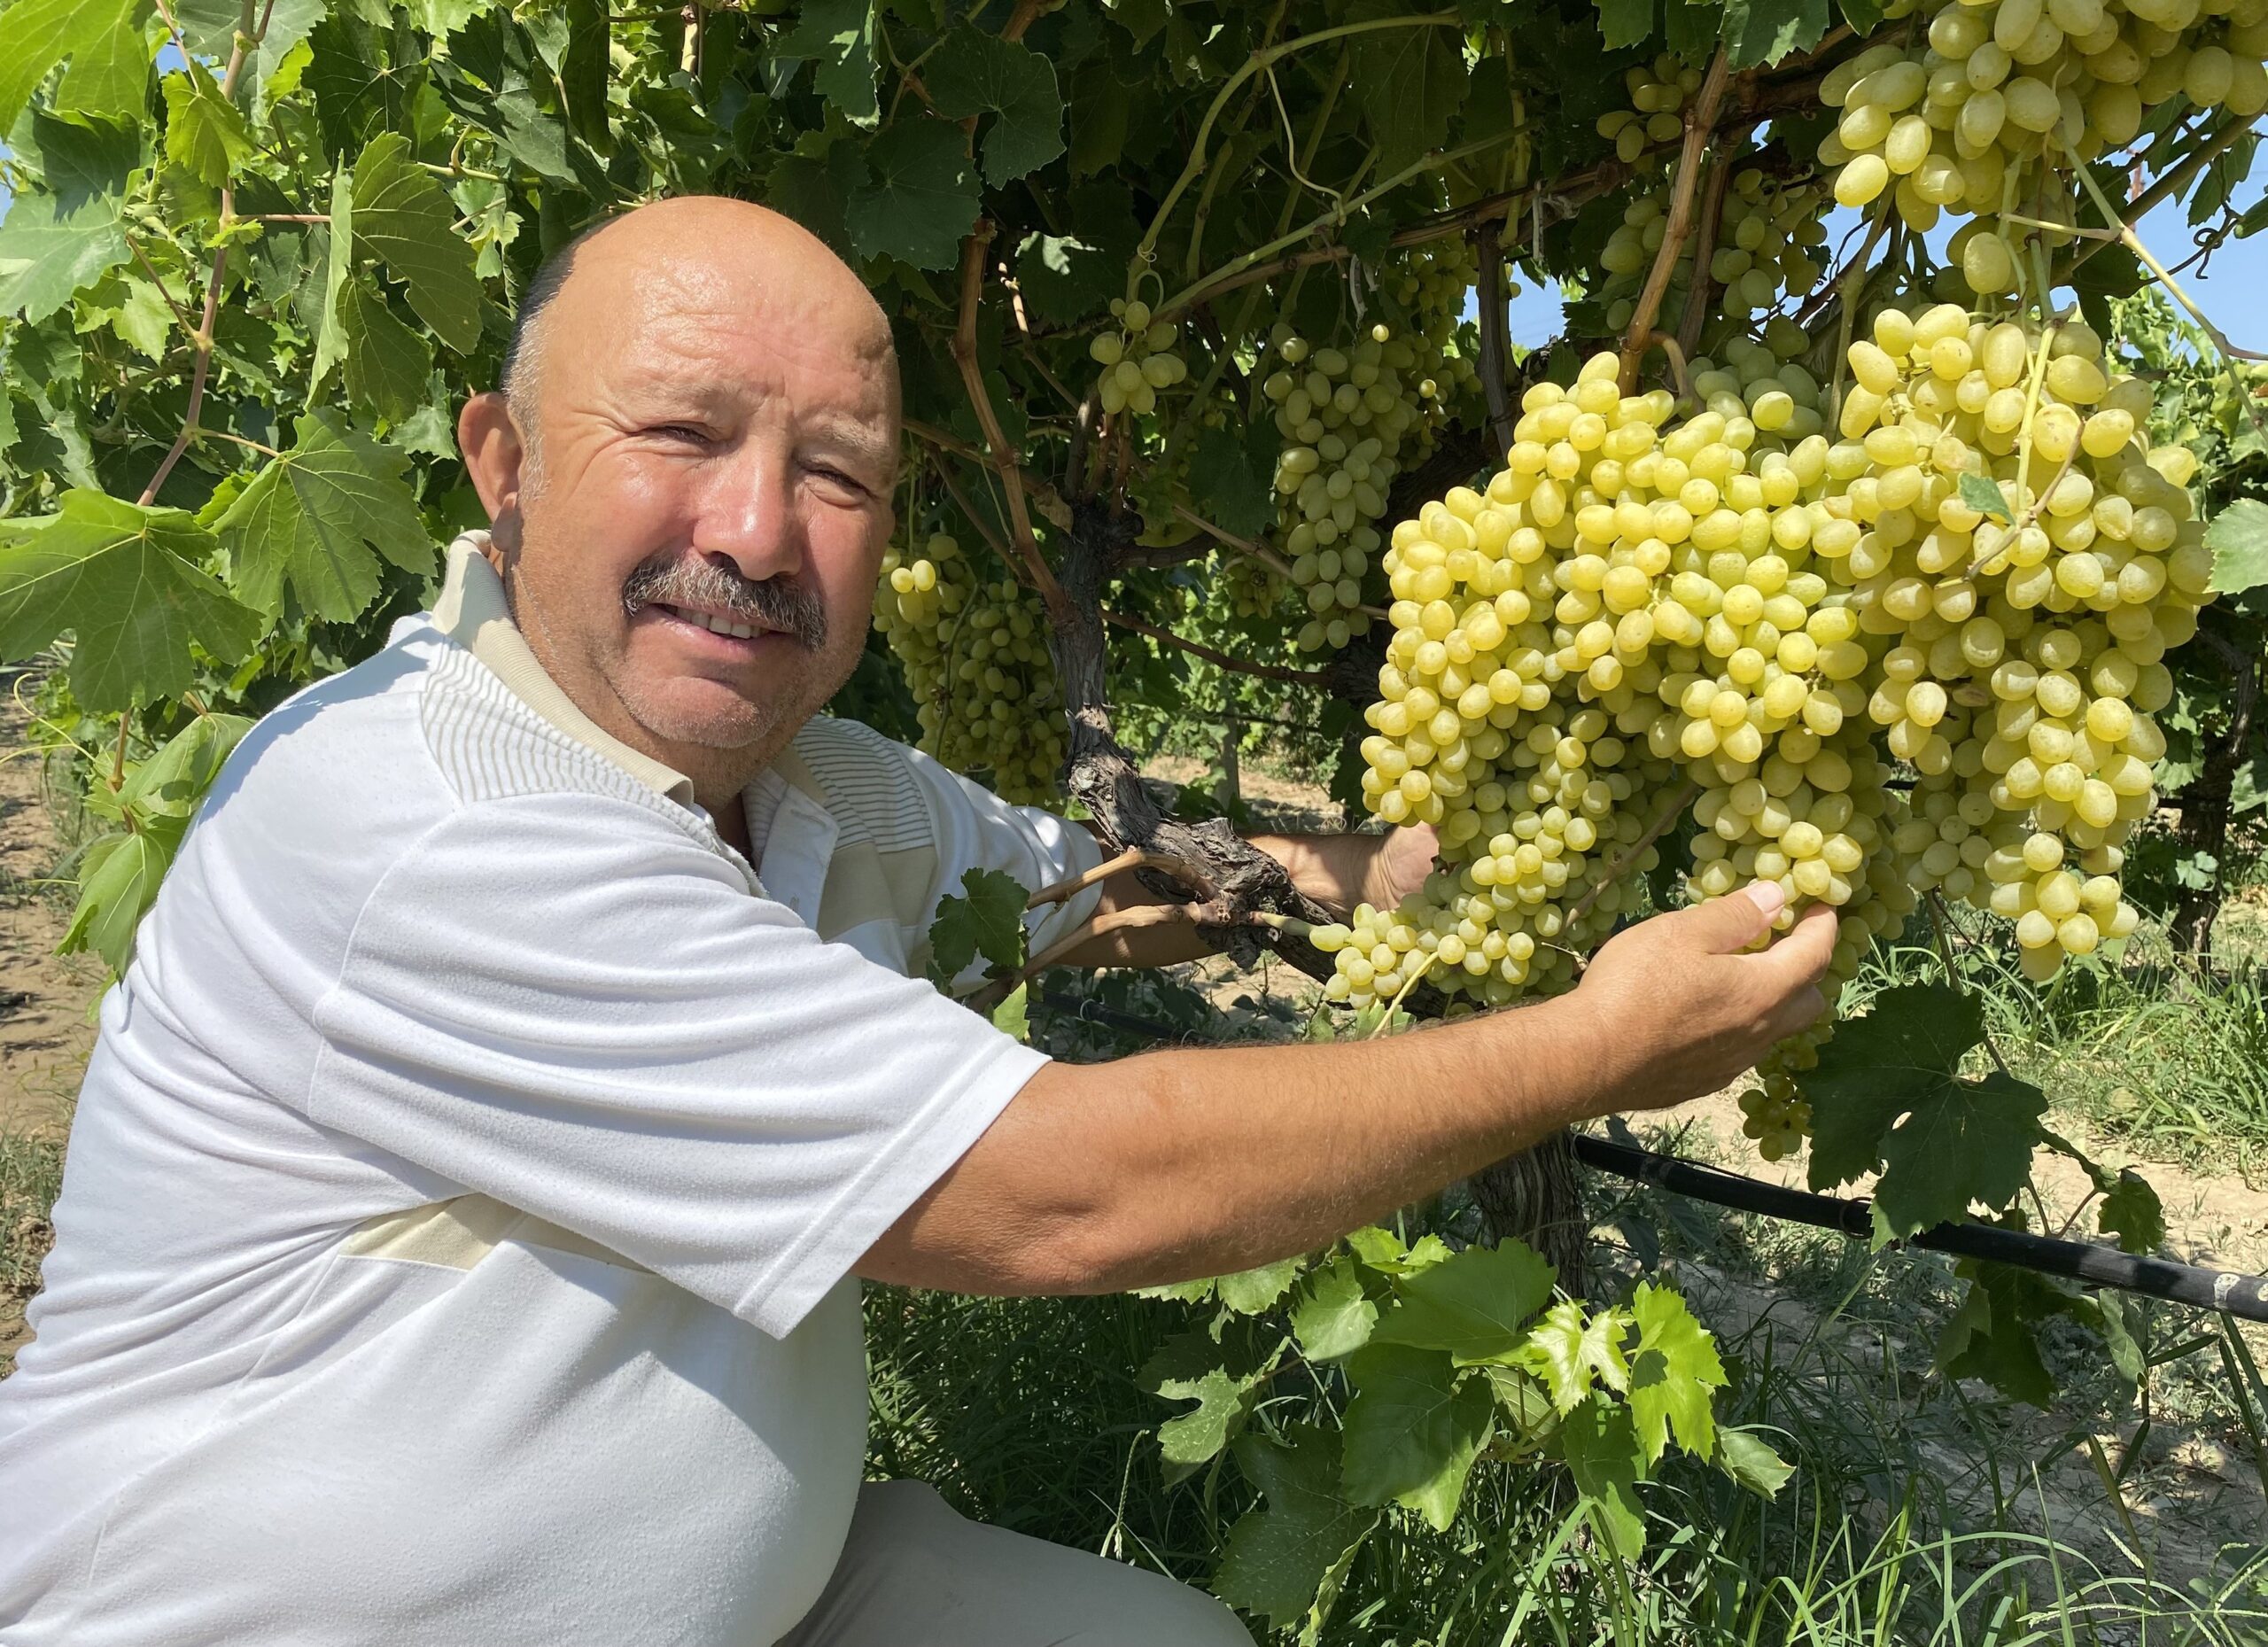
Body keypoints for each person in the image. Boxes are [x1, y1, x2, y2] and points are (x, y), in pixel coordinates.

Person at [0, 197, 1835, 1646]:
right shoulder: (430, 823)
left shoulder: (826, 784)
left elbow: (1082, 897)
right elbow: (1058, 1192)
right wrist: (1591, 1044)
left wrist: (1458, 855)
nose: (758, 526)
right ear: (502, 460)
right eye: (679, 431)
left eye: (839, 475)